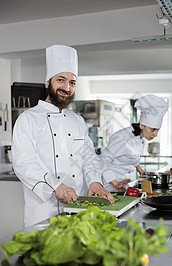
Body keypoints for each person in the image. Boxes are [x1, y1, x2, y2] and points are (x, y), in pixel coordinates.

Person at [12, 44, 114, 228]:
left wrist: (95, 181)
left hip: (77, 208)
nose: (66, 87)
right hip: (43, 211)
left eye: (72, 82)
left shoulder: (77, 121)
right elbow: (23, 163)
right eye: (61, 80)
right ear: (48, 82)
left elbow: (89, 157)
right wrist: (56, 187)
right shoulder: (28, 119)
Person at [100, 94, 169, 192]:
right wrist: (115, 182)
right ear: (142, 125)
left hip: (122, 182)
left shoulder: (140, 137)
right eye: (153, 130)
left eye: (157, 130)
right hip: (108, 184)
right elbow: (102, 161)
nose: (155, 134)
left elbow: (131, 154)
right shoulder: (122, 138)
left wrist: (139, 167)